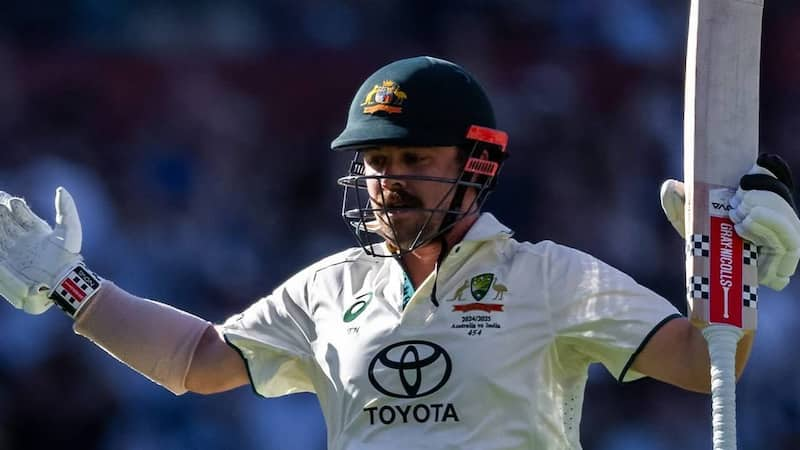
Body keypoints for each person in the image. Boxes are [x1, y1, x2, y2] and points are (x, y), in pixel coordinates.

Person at [0, 56, 798, 449]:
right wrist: (72, 287)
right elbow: (198, 361)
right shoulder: (329, 288)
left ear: (475, 166)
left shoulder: (551, 275)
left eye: (414, 162)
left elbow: (706, 364)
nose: (388, 183)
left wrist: (733, 265)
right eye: (377, 165)